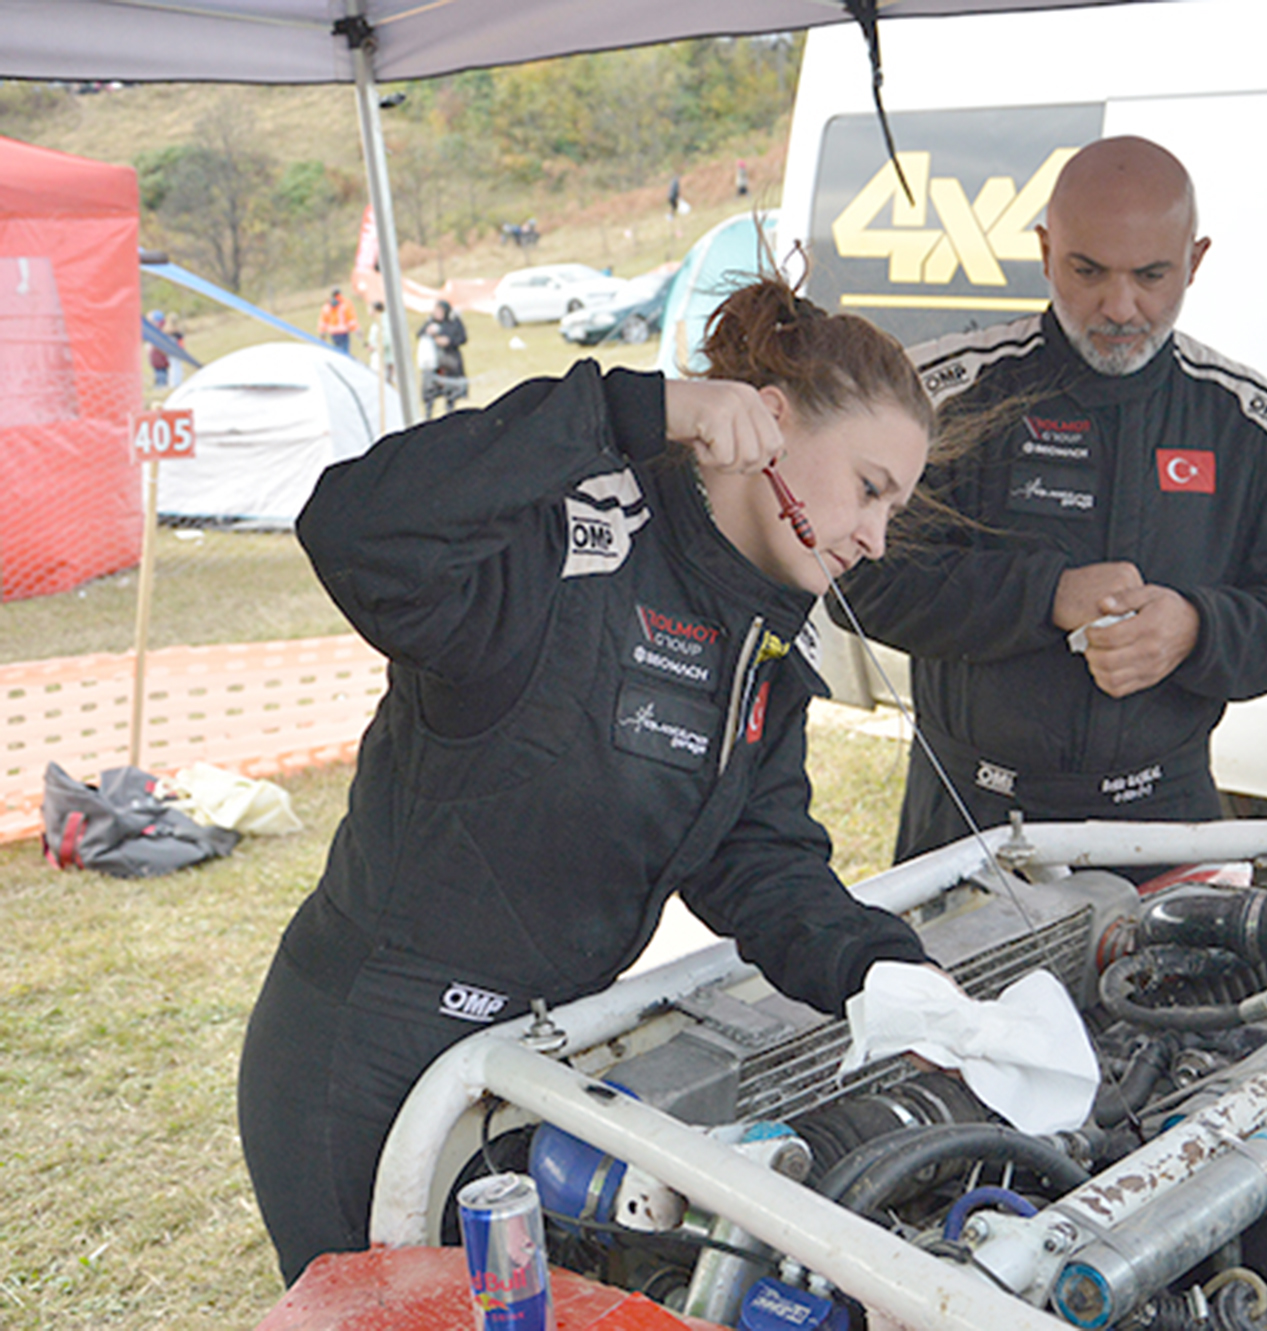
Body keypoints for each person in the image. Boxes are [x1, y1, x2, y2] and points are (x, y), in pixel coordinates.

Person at [237, 277, 939, 1284]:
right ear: (769, 425)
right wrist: (629, 409)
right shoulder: (570, 536)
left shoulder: (763, 637)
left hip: (533, 1063)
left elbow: (760, 856)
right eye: (869, 488)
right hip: (365, 1058)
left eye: (895, 508)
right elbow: (355, 528)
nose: (875, 535)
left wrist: (883, 970)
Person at [840, 136, 1267, 860]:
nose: (1120, 306)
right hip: (971, 816)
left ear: (1196, 261)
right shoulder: (947, 396)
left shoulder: (1251, 428)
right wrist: (1042, 593)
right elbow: (856, 580)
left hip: (1164, 816)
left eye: (1151, 275)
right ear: (1047, 250)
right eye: (1088, 271)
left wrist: (1198, 628)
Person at [417, 298, 468, 418]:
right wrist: (428, 331)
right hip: (433, 363)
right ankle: (428, 414)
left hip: (450, 360)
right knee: (430, 389)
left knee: (450, 390)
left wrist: (449, 341)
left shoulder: (454, 322)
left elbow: (462, 338)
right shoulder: (431, 322)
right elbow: (419, 333)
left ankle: (450, 411)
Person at [318, 287, 359, 356]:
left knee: (337, 351)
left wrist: (322, 333)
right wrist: (356, 329)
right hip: (343, 332)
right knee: (345, 351)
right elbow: (350, 319)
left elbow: (323, 322)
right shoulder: (345, 304)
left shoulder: (327, 306)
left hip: (333, 333)